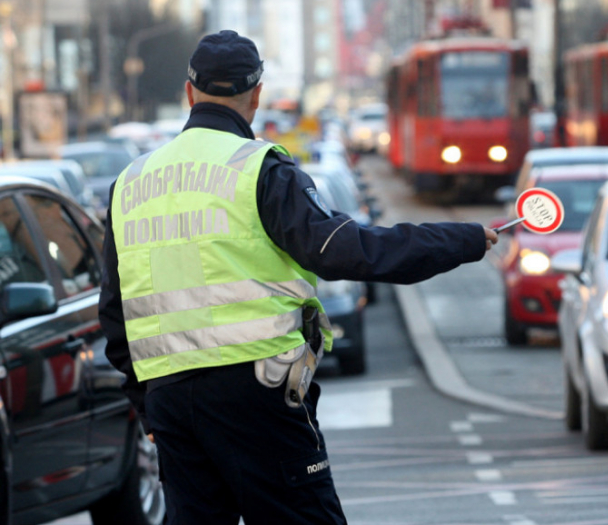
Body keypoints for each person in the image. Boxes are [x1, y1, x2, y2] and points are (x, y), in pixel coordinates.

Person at [99, 30, 498, 525]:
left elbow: (116, 313)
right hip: (256, 392)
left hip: (171, 401)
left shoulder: (131, 183)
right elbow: (349, 253)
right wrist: (461, 240)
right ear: (257, 94)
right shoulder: (260, 170)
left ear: (189, 91)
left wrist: (146, 399)